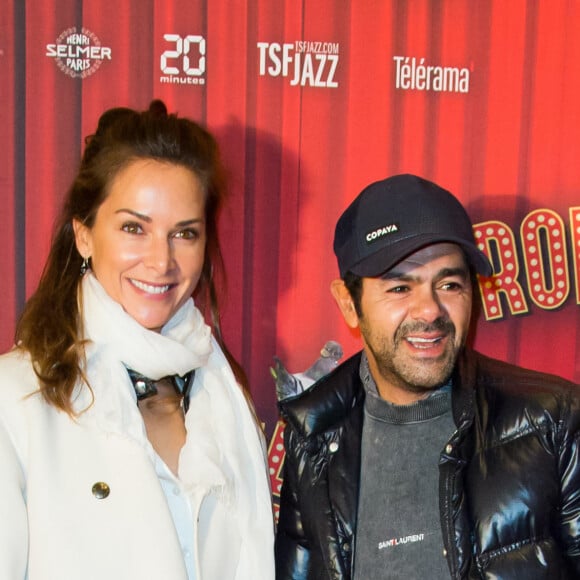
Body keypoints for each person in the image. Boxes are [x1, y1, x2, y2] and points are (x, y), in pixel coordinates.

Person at [0, 100, 275, 579]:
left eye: (184, 234)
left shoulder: (223, 392)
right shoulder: (16, 397)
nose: (160, 260)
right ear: (84, 236)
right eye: (134, 228)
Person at [275, 174, 580, 579]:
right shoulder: (312, 432)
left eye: (450, 284)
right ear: (349, 304)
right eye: (400, 289)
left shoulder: (553, 419)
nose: (430, 311)